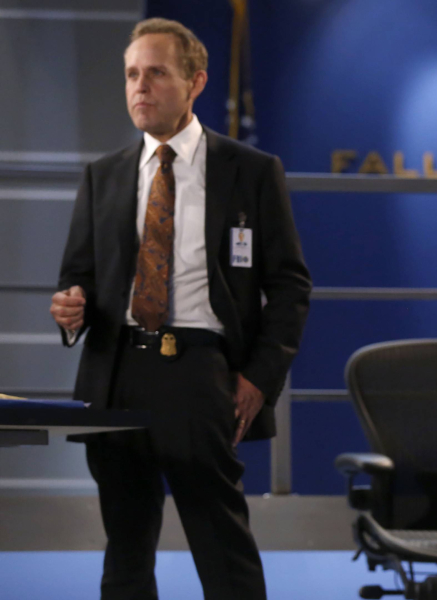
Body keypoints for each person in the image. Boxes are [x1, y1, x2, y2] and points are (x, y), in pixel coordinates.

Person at [49, 18, 311, 600]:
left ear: (196, 82)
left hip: (200, 376)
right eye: (131, 75)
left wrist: (259, 379)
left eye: (156, 73)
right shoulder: (103, 176)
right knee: (125, 557)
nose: (140, 87)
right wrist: (71, 307)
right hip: (115, 376)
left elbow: (290, 287)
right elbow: (78, 277)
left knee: (224, 555)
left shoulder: (251, 171)